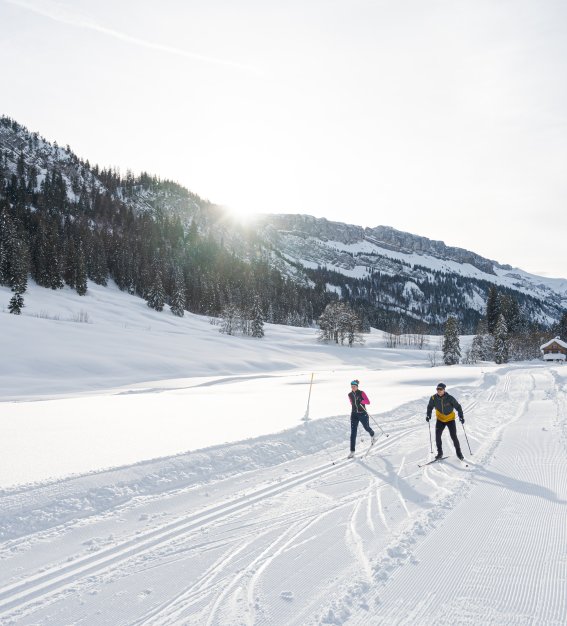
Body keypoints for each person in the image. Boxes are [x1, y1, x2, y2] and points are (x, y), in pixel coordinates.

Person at [426, 382, 465, 460]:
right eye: (437, 389)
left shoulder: (450, 398)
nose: (439, 391)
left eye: (441, 389)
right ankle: (440, 453)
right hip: (440, 419)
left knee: (453, 436)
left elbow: (458, 407)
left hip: (450, 419)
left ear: (444, 390)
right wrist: (428, 415)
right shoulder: (433, 398)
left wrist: (461, 416)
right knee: (437, 436)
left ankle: (459, 453)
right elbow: (430, 406)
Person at [347, 379, 376, 458]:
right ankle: (352, 451)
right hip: (354, 415)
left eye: (354, 386)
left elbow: (368, 402)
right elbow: (351, 403)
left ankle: (373, 434)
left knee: (366, 428)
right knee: (353, 433)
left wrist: (361, 401)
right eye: (352, 386)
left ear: (357, 386)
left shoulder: (361, 393)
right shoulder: (349, 394)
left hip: (362, 414)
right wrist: (354, 409)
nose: (353, 388)